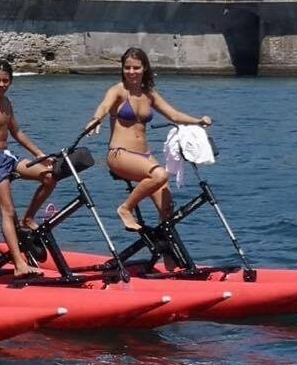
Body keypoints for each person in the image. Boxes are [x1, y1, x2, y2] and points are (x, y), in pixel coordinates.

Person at [87, 47, 211, 232]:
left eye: (136, 67)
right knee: (160, 175)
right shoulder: (118, 91)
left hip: (144, 156)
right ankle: (125, 209)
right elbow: (104, 106)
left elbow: (174, 115)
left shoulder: (149, 94)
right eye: (127, 67)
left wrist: (199, 121)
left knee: (167, 209)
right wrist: (96, 119)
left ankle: (168, 257)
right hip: (120, 154)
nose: (131, 72)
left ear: (144, 68)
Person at [0, 60, 55, 278]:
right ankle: (19, 264)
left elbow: (18, 134)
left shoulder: (7, 103)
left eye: (5, 80)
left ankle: (28, 218)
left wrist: (40, 155)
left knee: (49, 176)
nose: (1, 84)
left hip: (9, 157)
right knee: (7, 211)